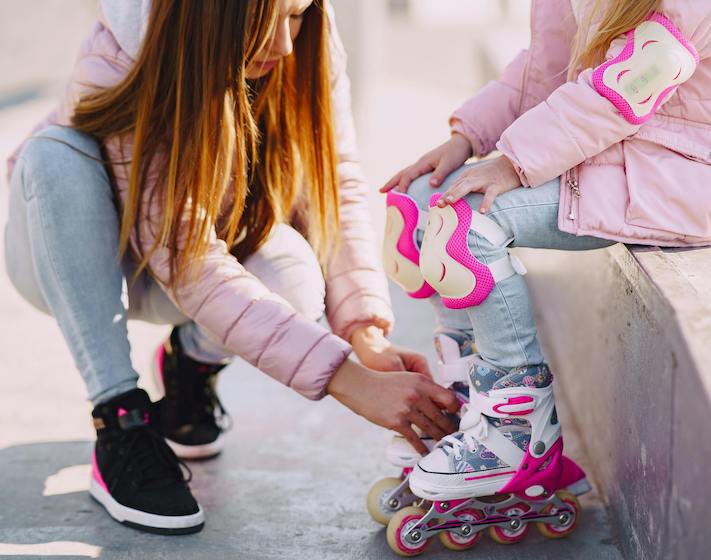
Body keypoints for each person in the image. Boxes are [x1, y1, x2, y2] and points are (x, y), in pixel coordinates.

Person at [4, 0, 460, 535]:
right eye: (270, 18)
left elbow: (333, 184)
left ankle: (190, 367)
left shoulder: (309, 38)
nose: (287, 43)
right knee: (52, 154)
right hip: (76, 261)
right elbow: (188, 258)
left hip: (188, 260)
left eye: (297, 16)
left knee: (293, 274)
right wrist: (345, 378)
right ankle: (120, 419)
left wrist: (365, 334)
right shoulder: (127, 48)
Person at [379, 0, 711, 550]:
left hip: (683, 173)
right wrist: (468, 137)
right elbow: (547, 68)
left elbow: (634, 79)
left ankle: (517, 431)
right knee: (422, 204)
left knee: (464, 230)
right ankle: (473, 399)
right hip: (616, 151)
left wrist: (513, 161)